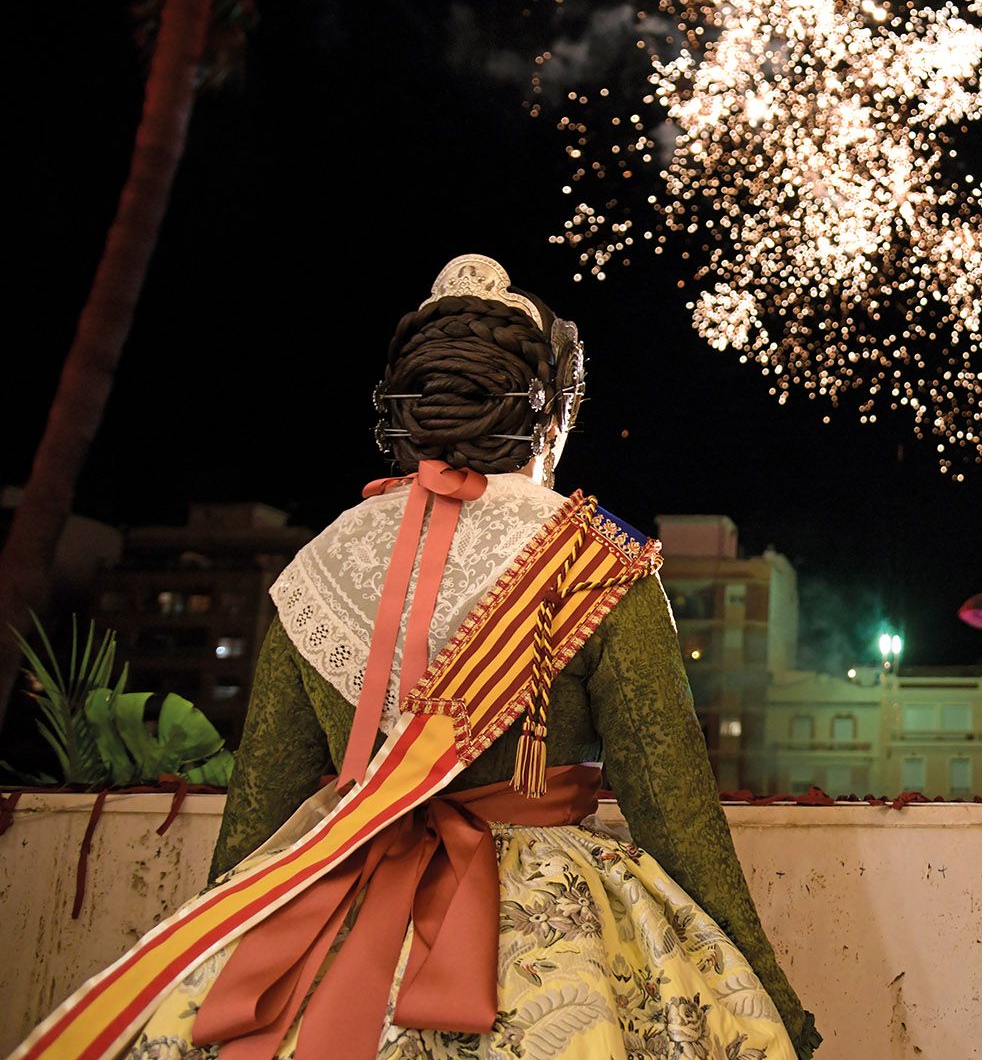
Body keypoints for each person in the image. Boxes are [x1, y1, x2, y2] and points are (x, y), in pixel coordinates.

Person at [18, 255, 818, 1060]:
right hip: (550, 930)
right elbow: (675, 809)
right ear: (552, 417)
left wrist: (220, 935)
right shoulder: (597, 560)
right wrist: (771, 996)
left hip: (333, 897)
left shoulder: (323, 565)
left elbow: (259, 811)